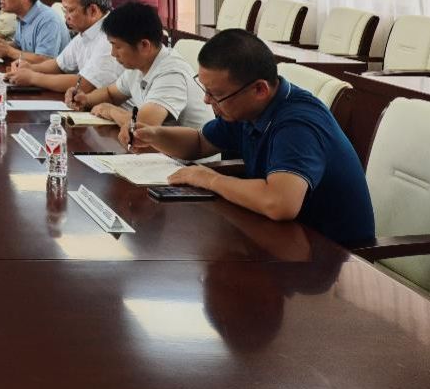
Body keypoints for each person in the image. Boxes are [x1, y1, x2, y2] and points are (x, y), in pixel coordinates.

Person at [133, 29, 375, 247]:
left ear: (259, 89)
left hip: (334, 256)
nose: (207, 101)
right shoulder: (247, 108)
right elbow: (199, 142)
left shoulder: (297, 124)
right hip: (284, 239)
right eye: (205, 90)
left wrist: (209, 179)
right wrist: (154, 134)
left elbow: (279, 203)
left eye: (216, 94)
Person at [67, 0, 211, 145]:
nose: (113, 53)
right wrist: (85, 99)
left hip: (192, 156)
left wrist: (111, 111)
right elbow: (110, 94)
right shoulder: (138, 65)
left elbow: (143, 126)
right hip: (160, 149)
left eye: (117, 46)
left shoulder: (171, 73)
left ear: (144, 45)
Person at [7, 0, 123, 93]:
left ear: (93, 10)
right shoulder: (86, 32)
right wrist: (30, 68)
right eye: (65, 10)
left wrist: (32, 77)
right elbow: (59, 65)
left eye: (70, 10)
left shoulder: (110, 37)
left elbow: (85, 85)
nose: (66, 17)